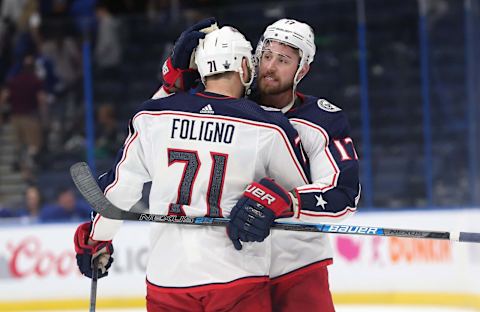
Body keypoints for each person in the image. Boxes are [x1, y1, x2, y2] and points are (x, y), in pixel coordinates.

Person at [74, 24, 310, 311]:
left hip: (168, 278)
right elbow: (300, 194)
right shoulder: (268, 126)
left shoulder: (152, 116)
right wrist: (275, 198)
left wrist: (98, 239)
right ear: (245, 66)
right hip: (236, 276)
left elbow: (118, 191)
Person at [159, 18, 361, 311]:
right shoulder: (227, 103)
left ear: (302, 69)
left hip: (296, 267)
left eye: (283, 60)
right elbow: (156, 124)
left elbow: (343, 194)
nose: (270, 67)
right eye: (266, 56)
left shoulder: (322, 120)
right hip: (235, 269)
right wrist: (172, 81)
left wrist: (287, 201)